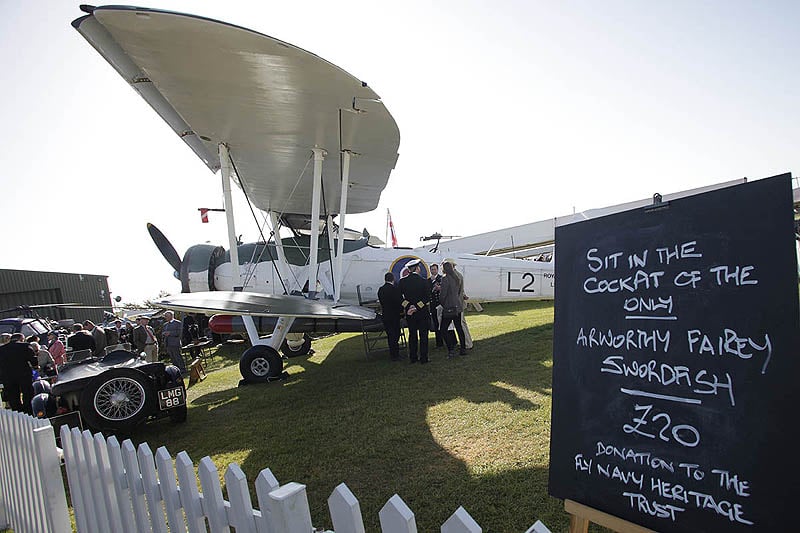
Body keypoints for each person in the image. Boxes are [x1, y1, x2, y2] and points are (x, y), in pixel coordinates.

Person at [398, 259, 431, 364]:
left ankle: (413, 357)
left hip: (410, 313)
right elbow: (427, 298)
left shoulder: (402, 281)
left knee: (412, 335)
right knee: (423, 336)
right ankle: (424, 358)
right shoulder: (423, 281)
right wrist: (417, 306)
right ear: (417, 268)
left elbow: (399, 298)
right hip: (422, 313)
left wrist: (408, 306)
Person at [0, 333, 37, 413]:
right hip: (24, 375)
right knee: (27, 394)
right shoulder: (25, 346)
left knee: (13, 396)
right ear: (21, 339)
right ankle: (29, 411)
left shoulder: (1, 349)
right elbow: (34, 361)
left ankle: (18, 412)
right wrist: (35, 366)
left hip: (8, 377)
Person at [439, 261, 467, 357]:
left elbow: (443, 294)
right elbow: (458, 292)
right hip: (457, 306)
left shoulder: (445, 278)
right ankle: (463, 348)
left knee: (443, 329)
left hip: (449, 306)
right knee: (459, 327)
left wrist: (442, 303)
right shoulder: (457, 277)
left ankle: (451, 349)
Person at [444, 258, 474, 349]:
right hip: (459, 304)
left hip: (455, 306)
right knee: (461, 325)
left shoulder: (453, 276)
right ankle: (467, 343)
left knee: (461, 325)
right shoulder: (458, 275)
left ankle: (467, 344)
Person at [377, 272, 404, 361]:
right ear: (393, 279)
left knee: (390, 335)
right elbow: (399, 302)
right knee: (396, 335)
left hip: (386, 315)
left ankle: (392, 353)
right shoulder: (394, 289)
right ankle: (395, 354)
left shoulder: (381, 289)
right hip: (394, 315)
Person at [428, 263, 444, 348]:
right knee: (436, 324)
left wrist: (437, 286)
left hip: (440, 304)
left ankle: (447, 340)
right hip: (433, 305)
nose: (433, 271)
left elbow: (443, 289)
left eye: (434, 269)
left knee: (443, 323)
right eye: (432, 269)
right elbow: (428, 291)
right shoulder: (428, 280)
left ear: (437, 270)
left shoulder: (441, 278)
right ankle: (439, 343)